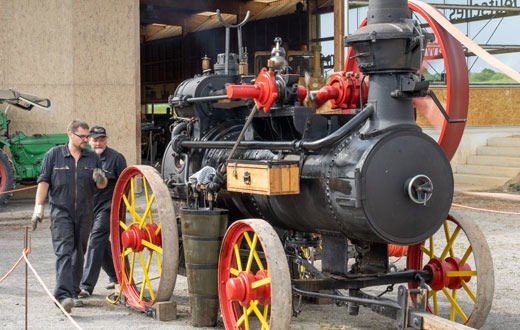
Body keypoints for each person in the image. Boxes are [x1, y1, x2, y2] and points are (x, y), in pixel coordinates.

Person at [31, 120, 107, 313]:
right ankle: (62, 295)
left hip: (85, 212)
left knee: (78, 252)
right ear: (70, 135)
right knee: (64, 251)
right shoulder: (54, 156)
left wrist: (101, 180)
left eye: (86, 136)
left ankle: (73, 292)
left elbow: (101, 186)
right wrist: (38, 207)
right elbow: (44, 182)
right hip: (61, 211)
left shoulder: (92, 158)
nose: (86, 140)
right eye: (82, 136)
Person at [78, 126, 127, 298]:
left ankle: (85, 286)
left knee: (96, 239)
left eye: (101, 139)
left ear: (106, 140)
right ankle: (116, 277)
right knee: (102, 243)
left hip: (109, 206)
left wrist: (121, 208)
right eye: (95, 139)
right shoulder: (84, 158)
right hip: (90, 206)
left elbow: (125, 184)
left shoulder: (116, 158)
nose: (98, 142)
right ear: (89, 141)